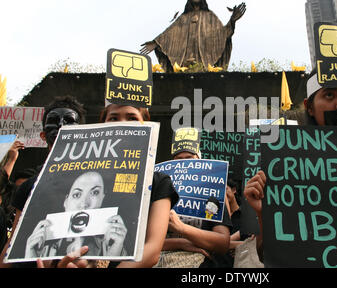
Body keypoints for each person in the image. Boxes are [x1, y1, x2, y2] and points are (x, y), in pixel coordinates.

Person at [244, 72, 337, 263]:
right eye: (329, 95)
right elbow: (268, 254)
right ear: (309, 107)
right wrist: (264, 214)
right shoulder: (286, 168)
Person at [0, 95, 86, 268]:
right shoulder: (28, 187)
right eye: (54, 121)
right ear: (43, 134)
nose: (61, 125)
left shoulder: (95, 182)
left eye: (69, 120)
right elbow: (9, 252)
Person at [99, 103, 179, 268]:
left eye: (132, 118)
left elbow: (152, 251)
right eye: (114, 118)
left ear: (146, 125)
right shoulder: (84, 177)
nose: (123, 123)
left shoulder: (158, 182)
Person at [155, 129, 233, 268]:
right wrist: (181, 243)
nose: (184, 163)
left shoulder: (211, 192)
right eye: (179, 159)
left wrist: (181, 228)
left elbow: (222, 243)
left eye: (189, 158)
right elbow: (143, 241)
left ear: (199, 160)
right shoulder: (160, 190)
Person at [140, 0, 246, 72]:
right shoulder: (183, 18)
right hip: (184, 62)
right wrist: (156, 43)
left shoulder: (210, 17)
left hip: (202, 62)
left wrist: (232, 21)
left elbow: (222, 34)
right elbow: (169, 34)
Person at [25, 171, 127, 258]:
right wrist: (31, 257)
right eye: (77, 195)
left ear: (102, 198)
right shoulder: (42, 246)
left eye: (95, 192)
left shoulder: (111, 245)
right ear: (66, 201)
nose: (84, 204)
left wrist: (113, 253)